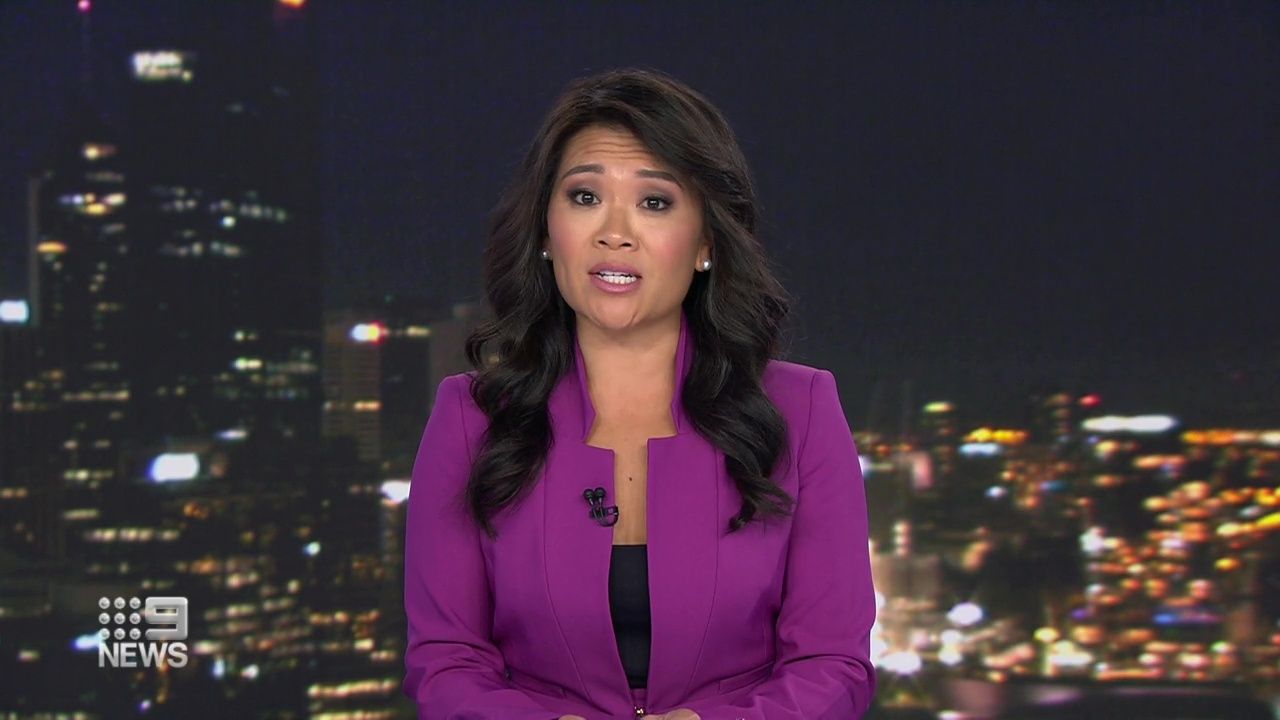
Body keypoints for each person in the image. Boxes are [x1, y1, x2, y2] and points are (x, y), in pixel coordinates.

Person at [401, 67, 877, 720]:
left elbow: (834, 666)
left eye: (655, 202)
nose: (614, 232)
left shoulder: (803, 410)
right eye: (584, 196)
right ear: (546, 233)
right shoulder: (471, 418)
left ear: (706, 242)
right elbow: (444, 663)